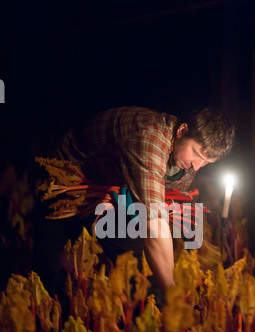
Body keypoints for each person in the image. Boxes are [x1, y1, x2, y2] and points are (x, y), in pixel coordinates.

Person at [45, 106, 235, 296]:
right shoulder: (149, 140)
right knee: (55, 276)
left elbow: (174, 206)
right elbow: (155, 225)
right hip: (70, 184)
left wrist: (194, 252)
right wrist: (173, 297)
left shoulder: (186, 159)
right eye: (196, 153)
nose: (197, 166)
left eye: (206, 162)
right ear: (182, 131)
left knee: (133, 270)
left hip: (117, 193)